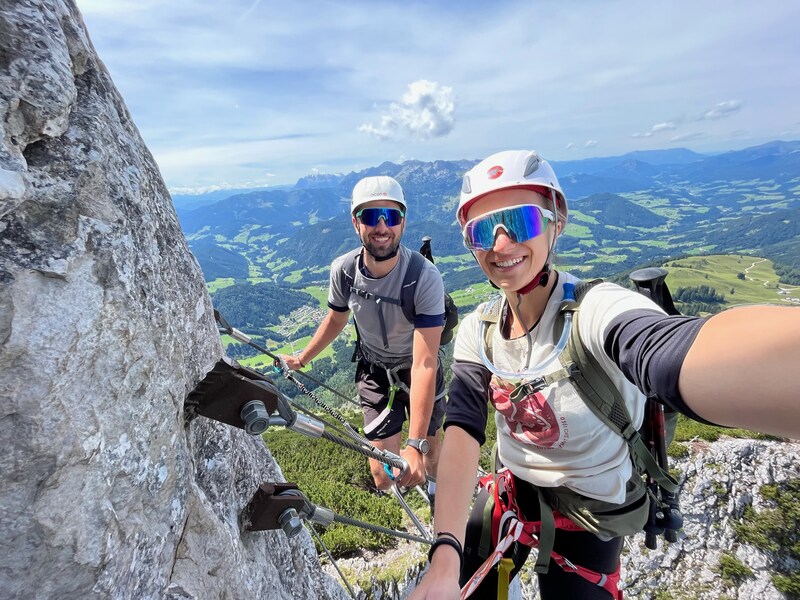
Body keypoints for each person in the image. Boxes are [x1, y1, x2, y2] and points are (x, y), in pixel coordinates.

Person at [410, 150, 800, 599]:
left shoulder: (597, 312)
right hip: (511, 496)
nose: (499, 245)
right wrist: (444, 556)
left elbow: (669, 354)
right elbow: (463, 429)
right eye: (482, 231)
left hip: (589, 521)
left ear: (556, 222)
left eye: (520, 222)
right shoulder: (479, 332)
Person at [280, 175, 446, 496]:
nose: (382, 226)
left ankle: (438, 498)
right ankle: (405, 502)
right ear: (356, 223)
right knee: (382, 472)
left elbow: (425, 363)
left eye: (391, 216)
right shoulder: (344, 271)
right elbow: (336, 318)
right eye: (371, 216)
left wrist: (413, 444)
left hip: (418, 369)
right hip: (374, 371)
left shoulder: (424, 277)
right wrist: (301, 359)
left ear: (403, 222)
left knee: (430, 455)